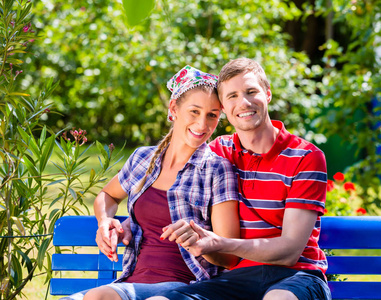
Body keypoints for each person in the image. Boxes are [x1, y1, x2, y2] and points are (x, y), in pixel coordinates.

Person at [150, 58, 332, 300]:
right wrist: (115, 220)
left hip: (298, 277)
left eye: (251, 91)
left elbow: (289, 252)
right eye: (232, 96)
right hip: (235, 280)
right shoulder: (217, 152)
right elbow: (164, 182)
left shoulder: (306, 156)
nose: (243, 102)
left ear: (267, 94)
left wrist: (221, 243)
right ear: (224, 108)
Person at [62, 65, 240, 300]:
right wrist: (105, 220)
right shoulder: (143, 159)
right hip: (130, 282)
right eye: (194, 111)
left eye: (212, 115)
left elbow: (228, 256)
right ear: (173, 108)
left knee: (99, 297)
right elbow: (108, 195)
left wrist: (200, 241)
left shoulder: (216, 170)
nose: (202, 124)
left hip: (184, 288)